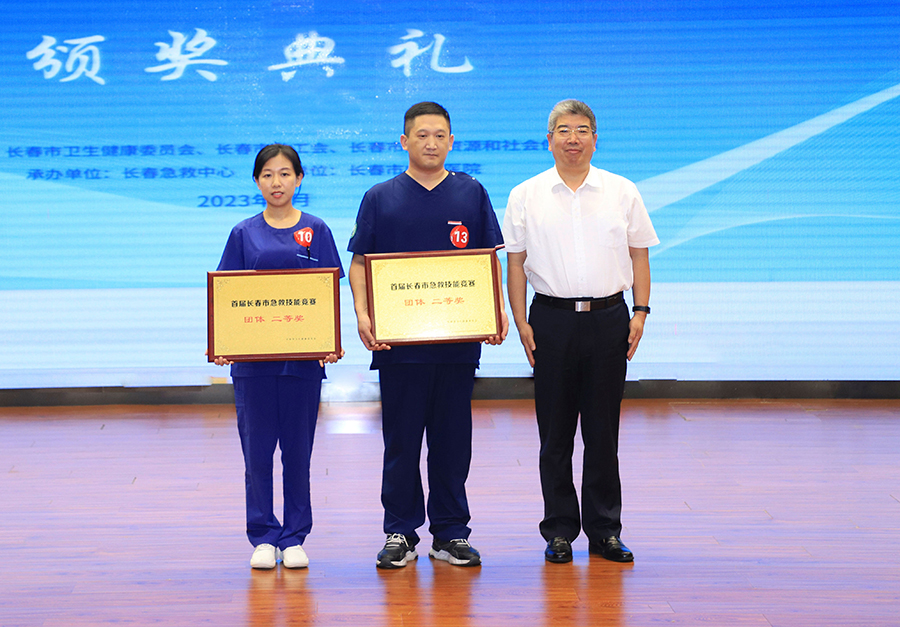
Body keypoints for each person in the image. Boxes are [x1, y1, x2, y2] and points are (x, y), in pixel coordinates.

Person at [348, 102, 507, 569]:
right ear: (404, 142)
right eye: (421, 135)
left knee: (452, 443)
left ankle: (451, 533)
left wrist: (495, 310)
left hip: (458, 344)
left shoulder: (471, 192)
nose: (431, 143)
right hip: (399, 347)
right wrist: (362, 313)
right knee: (401, 443)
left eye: (440, 135)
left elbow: (488, 261)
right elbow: (360, 262)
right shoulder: (380, 197)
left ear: (451, 141)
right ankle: (400, 531)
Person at [502, 100, 659, 564]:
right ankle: (559, 531)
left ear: (595, 138)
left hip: (610, 319)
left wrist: (640, 312)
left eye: (583, 130)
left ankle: (605, 531)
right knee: (554, 434)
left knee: (602, 431)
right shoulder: (525, 194)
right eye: (564, 130)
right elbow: (515, 264)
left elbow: (640, 255)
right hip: (550, 320)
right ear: (549, 139)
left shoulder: (622, 191)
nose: (573, 138)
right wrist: (521, 321)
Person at [213, 144, 344, 570]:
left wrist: (330, 340)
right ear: (256, 181)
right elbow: (227, 296)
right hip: (253, 367)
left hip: (303, 364)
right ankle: (263, 536)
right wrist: (224, 344)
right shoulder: (242, 233)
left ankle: (294, 537)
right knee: (257, 454)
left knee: (297, 454)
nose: (276, 182)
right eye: (268, 174)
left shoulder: (317, 229)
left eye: (285, 173)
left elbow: (327, 291)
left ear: (299, 179)